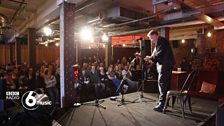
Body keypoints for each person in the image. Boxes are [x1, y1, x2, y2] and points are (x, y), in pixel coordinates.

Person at [145, 30, 176, 112]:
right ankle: (165, 103)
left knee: (162, 84)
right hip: (166, 65)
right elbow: (157, 55)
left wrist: (151, 58)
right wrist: (151, 58)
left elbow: (159, 54)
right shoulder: (161, 42)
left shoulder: (161, 41)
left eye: (151, 38)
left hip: (165, 66)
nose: (151, 40)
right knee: (166, 84)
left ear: (155, 35)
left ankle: (162, 104)